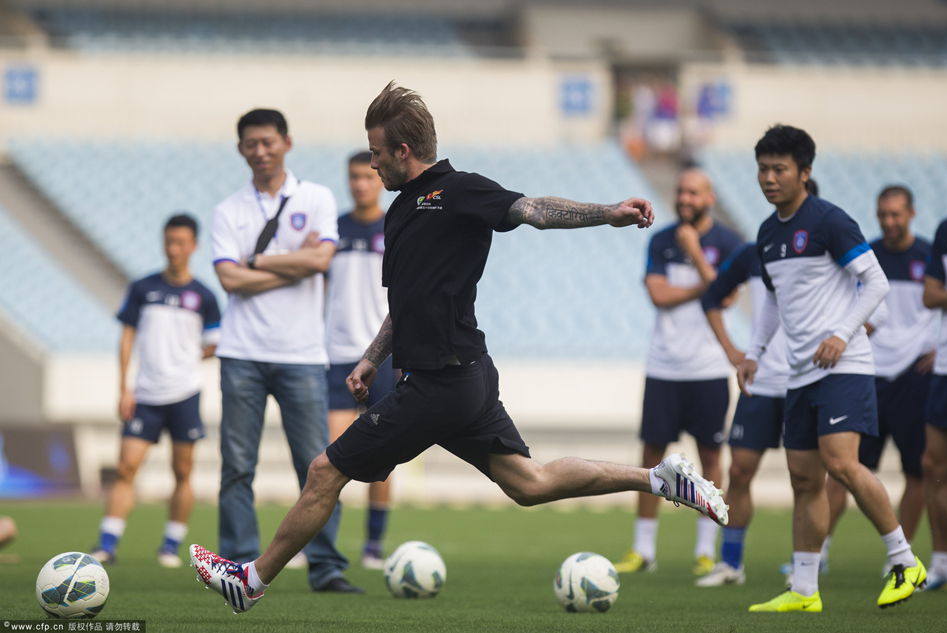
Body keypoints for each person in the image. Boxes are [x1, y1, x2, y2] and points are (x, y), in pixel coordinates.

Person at [189, 82, 728, 614]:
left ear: (403, 151)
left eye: (377, 153)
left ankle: (251, 579)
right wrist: (373, 358)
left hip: (442, 382)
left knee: (325, 470)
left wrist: (608, 212)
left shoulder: (461, 189)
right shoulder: (399, 211)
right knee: (529, 482)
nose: (372, 164)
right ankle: (658, 478)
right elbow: (406, 302)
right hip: (457, 378)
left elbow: (536, 209)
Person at [741, 125, 925, 613]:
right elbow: (773, 303)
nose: (769, 178)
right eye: (763, 168)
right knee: (804, 478)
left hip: (845, 367)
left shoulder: (828, 221)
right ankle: (804, 589)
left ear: (804, 173)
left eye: (779, 169)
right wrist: (755, 352)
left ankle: (905, 560)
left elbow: (877, 283)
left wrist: (841, 334)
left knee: (842, 464)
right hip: (799, 372)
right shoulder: (767, 232)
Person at [210, 108, 359, 593]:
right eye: (251, 143)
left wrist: (256, 260)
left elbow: (322, 259)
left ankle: (325, 566)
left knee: (318, 465)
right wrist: (290, 264)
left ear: (287, 143)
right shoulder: (228, 209)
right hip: (241, 352)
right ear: (240, 150)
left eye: (268, 142)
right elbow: (228, 279)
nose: (260, 151)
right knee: (237, 465)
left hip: (301, 353)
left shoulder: (315, 197)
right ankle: (234, 565)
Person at [615, 168, 742, 576]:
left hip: (708, 369)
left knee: (711, 457)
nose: (684, 198)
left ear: (709, 196)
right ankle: (643, 550)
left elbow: (728, 297)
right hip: (663, 367)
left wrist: (698, 256)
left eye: (693, 192)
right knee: (652, 457)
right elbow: (658, 294)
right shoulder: (661, 239)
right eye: (680, 190)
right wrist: (707, 284)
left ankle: (705, 550)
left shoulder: (727, 242)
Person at [91, 214, 220, 567]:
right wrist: (123, 387)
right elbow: (127, 335)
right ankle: (107, 543)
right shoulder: (143, 288)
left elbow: (213, 344)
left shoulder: (204, 295)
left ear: (193, 246)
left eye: (181, 242)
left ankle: (169, 546)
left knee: (182, 472)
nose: (174, 249)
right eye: (169, 242)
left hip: (184, 394)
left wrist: (187, 352)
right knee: (125, 468)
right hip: (145, 394)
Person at [825, 186, 936, 570]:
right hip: (867, 372)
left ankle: (899, 557)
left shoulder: (929, 256)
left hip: (913, 376)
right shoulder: (863, 256)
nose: (889, 222)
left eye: (896, 214)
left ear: (911, 213)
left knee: (917, 469)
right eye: (883, 214)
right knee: (842, 467)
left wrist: (937, 348)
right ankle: (818, 550)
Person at [694, 240, 789, 587]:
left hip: (807, 380)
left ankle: (807, 564)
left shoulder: (828, 246)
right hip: (760, 381)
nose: (772, 181)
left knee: (809, 477)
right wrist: (732, 349)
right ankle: (731, 564)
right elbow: (712, 297)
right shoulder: (757, 251)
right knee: (738, 470)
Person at [326, 150, 395, 569]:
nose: (360, 184)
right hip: (335, 355)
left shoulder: (396, 225)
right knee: (330, 453)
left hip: (382, 357)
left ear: (378, 179)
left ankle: (372, 545)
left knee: (382, 457)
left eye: (366, 177)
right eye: (353, 176)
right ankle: (322, 543)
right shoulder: (332, 230)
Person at [923, 215, 947, 590]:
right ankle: (942, 560)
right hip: (946, 366)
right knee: (933, 465)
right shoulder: (945, 230)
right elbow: (929, 295)